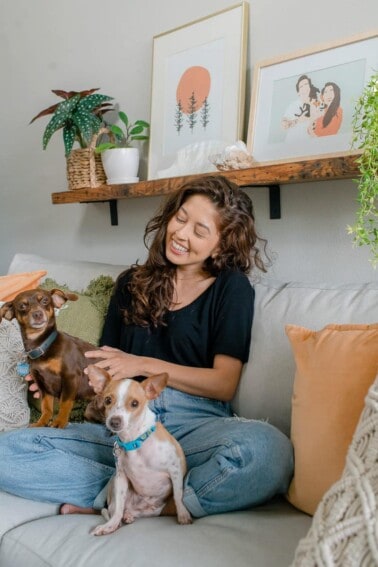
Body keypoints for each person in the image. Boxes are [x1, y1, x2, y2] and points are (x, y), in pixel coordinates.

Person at [0, 176, 293, 518]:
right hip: (121, 428)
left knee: (268, 451)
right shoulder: (130, 283)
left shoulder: (231, 289)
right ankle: (122, 492)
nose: (181, 234)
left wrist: (141, 363)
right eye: (181, 218)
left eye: (199, 231)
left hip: (192, 426)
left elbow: (224, 382)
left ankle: (160, 503)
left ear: (220, 245)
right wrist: (58, 379)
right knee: (9, 449)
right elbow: (104, 367)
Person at [281, 74, 319, 142]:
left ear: (310, 87)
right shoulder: (293, 105)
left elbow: (319, 114)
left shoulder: (316, 102)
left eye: (306, 84)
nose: (304, 87)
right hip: (292, 141)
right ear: (298, 92)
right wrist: (296, 121)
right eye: (301, 86)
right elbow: (284, 125)